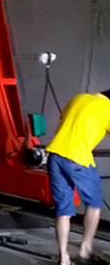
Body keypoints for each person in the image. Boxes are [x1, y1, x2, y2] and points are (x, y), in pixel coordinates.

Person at [46, 91, 110, 265]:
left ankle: (64, 257)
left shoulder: (77, 98)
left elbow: (68, 121)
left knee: (63, 209)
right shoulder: (108, 108)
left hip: (54, 156)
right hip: (78, 159)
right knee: (94, 204)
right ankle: (85, 250)